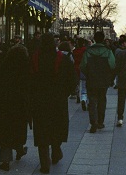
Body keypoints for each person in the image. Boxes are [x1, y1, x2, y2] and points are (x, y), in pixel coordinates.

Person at [30, 32, 77, 173]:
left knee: (42, 130)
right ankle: (56, 150)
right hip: (58, 100)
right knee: (57, 126)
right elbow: (72, 79)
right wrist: (65, 93)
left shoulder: (34, 58)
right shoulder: (63, 59)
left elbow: (29, 79)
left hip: (40, 100)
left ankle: (44, 163)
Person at [0, 41, 30, 171]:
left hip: (4, 103)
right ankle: (19, 148)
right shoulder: (26, 69)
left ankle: (5, 160)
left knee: (5, 130)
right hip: (20, 103)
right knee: (17, 128)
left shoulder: (3, 66)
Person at [80, 31, 116, 133]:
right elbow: (112, 65)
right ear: (103, 39)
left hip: (91, 79)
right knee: (102, 100)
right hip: (103, 80)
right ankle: (100, 122)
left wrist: (89, 73)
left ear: (94, 39)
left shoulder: (88, 51)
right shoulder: (108, 51)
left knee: (92, 101)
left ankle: (93, 122)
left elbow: (82, 66)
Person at [72, 37, 88, 111]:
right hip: (83, 68)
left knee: (77, 83)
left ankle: (78, 94)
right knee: (84, 85)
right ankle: (84, 99)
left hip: (76, 68)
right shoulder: (85, 50)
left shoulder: (75, 51)